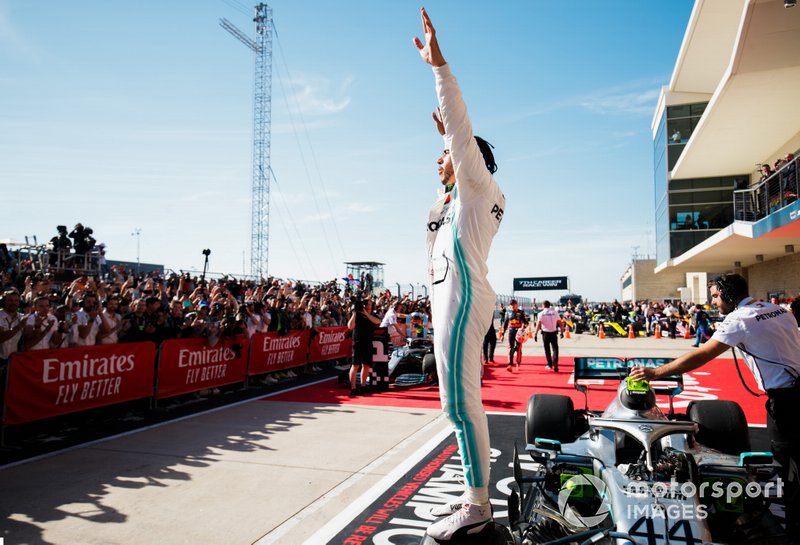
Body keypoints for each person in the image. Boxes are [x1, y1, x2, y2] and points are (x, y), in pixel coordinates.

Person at [414, 7, 505, 540]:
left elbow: (463, 135)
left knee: (459, 403)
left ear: (470, 159)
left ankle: (477, 504)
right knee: (455, 403)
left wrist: (439, 68)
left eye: (446, 155)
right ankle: (474, 497)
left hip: (464, 296)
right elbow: (431, 245)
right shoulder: (463, 199)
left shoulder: (478, 185)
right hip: (453, 293)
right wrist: (449, 160)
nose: (440, 159)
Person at [630, 273, 800, 541]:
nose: (713, 302)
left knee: (788, 468)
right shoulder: (777, 309)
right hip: (795, 390)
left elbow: (702, 354)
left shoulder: (739, 318)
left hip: (787, 401)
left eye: (716, 296)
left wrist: (656, 372)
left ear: (729, 296)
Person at [347, 297, 380, 397]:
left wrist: (366, 314)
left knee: (366, 365)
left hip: (368, 342)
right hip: (357, 342)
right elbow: (350, 326)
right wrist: (354, 313)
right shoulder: (357, 315)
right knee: (355, 365)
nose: (369, 306)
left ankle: (363, 385)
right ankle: (353, 388)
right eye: (368, 304)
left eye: (371, 304)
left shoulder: (372, 315)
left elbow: (378, 321)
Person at [534, 300, 562, 372]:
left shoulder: (541, 314)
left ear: (543, 306)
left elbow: (538, 324)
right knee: (555, 349)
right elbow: (560, 323)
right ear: (549, 305)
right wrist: (562, 331)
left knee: (547, 349)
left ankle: (550, 364)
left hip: (545, 333)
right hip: (553, 333)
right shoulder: (555, 313)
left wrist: (535, 333)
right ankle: (555, 361)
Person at [502, 299, 528, 371]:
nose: (512, 306)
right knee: (511, 347)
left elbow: (526, 323)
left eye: (514, 304)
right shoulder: (508, 313)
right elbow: (505, 323)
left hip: (519, 332)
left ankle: (518, 362)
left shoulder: (521, 312)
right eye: (511, 304)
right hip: (511, 331)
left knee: (518, 348)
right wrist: (502, 334)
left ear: (517, 304)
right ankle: (510, 364)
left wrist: (523, 328)